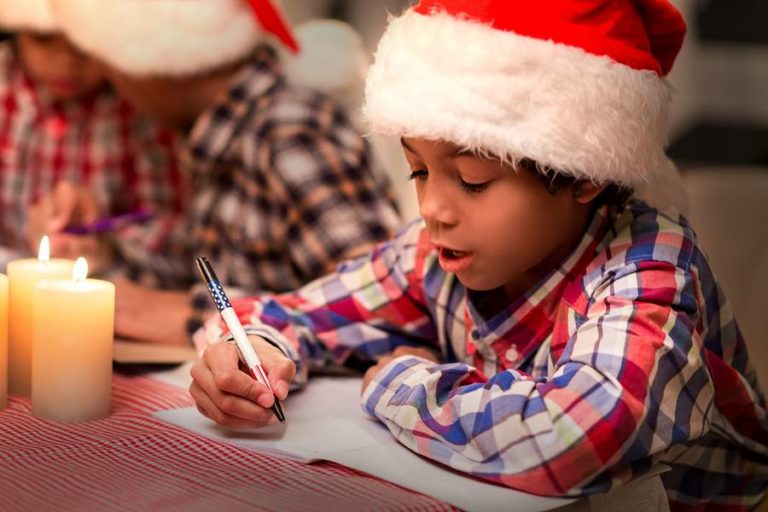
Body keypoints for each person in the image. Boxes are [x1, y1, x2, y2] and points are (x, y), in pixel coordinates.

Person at [186, 0, 768, 509]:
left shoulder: (649, 267)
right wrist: (252, 350)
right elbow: (298, 312)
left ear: (584, 171)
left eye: (470, 179)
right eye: (417, 169)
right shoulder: (435, 253)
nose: (433, 208)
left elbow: (571, 437)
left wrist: (399, 383)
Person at [52, 0, 401, 345]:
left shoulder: (288, 132)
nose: (119, 87)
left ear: (147, 63)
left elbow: (384, 310)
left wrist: (192, 315)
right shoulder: (224, 135)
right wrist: (105, 253)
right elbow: (216, 270)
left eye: (113, 67)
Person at [0, 0, 184, 275]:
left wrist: (108, 243)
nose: (65, 60)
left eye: (83, 44)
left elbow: (176, 231)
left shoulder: (143, 104)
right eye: (44, 39)